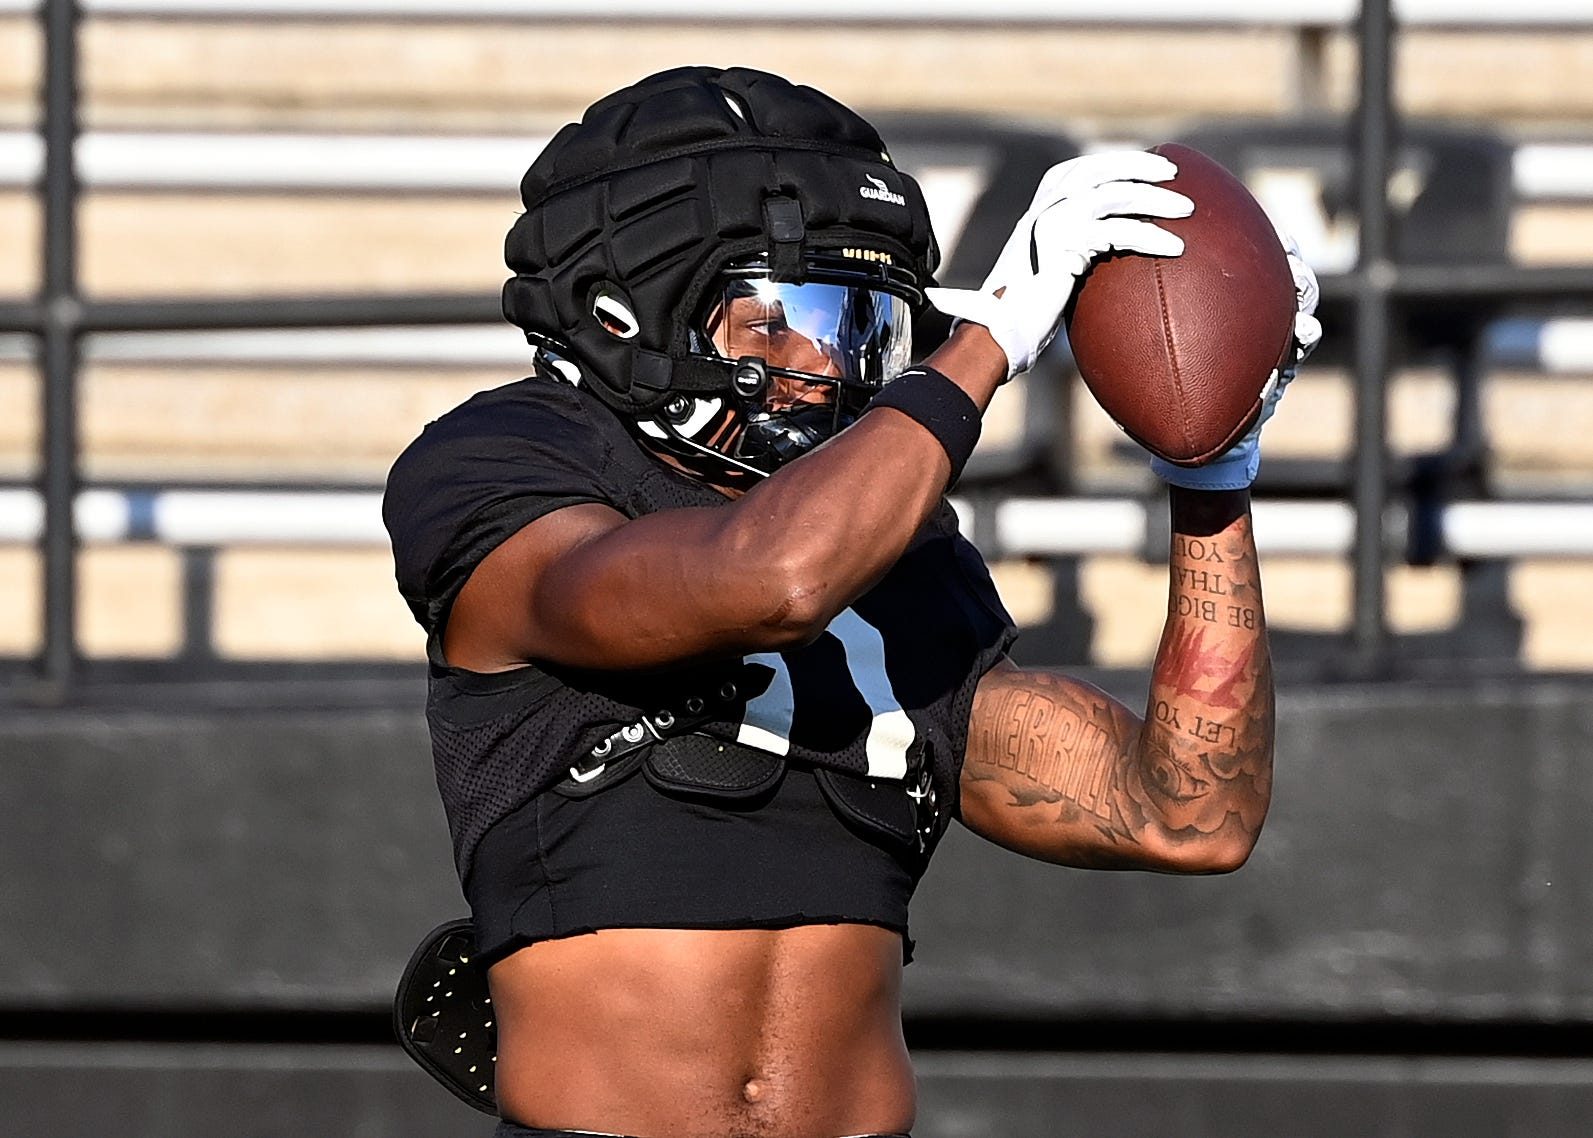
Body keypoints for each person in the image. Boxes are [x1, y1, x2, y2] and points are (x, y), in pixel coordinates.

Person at [382, 65, 1320, 1138]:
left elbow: (1188, 816)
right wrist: (989, 340)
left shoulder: (897, 552)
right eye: (782, 320)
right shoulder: (508, 465)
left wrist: (1213, 477)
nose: (824, 362)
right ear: (625, 315)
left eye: (864, 323)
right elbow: (774, 580)